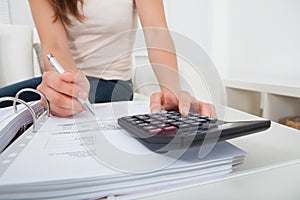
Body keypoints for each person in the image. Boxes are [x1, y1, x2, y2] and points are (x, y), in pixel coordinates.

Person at [0, 0, 215, 117]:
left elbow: (156, 30)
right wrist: (71, 84)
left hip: (113, 84)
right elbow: (54, 45)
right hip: (75, 80)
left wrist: (172, 92)